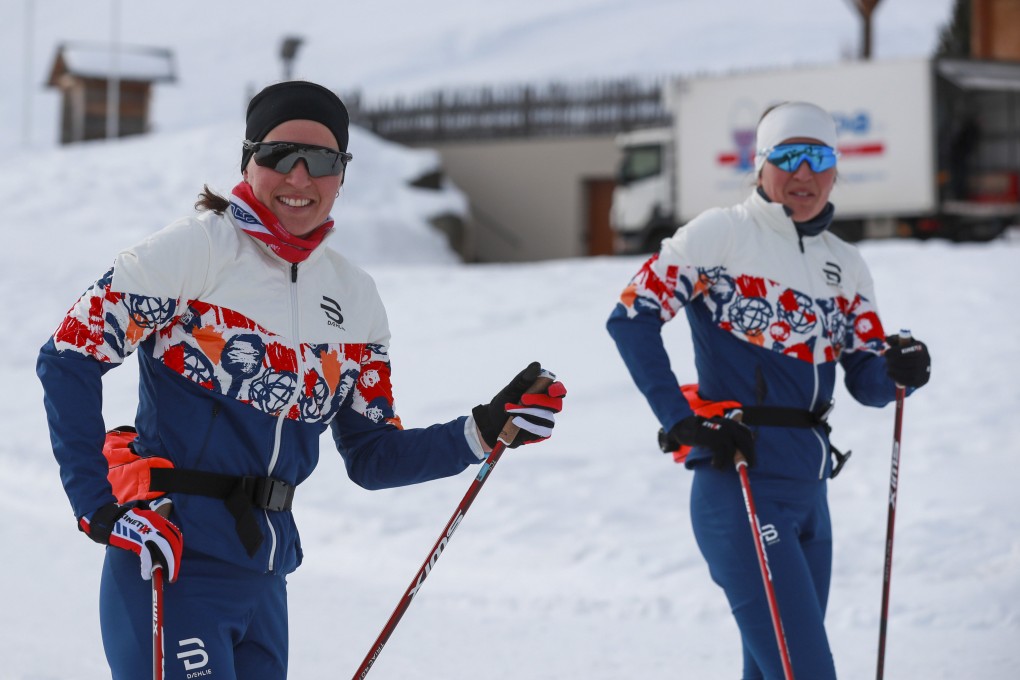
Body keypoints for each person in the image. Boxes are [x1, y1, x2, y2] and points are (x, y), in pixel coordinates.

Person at [37, 80, 567, 680]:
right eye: (277, 154)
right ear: (247, 159)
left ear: (342, 174)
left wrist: (484, 430)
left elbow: (374, 456)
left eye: (320, 161)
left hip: (265, 577)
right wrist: (97, 507)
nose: (298, 177)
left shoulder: (354, 298)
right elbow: (68, 357)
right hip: (171, 562)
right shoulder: (194, 252)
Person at [606, 101, 931, 679]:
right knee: (805, 671)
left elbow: (868, 382)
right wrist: (679, 417)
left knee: (770, 670)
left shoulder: (845, 264)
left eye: (819, 158)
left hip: (811, 492)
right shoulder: (724, 234)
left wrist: (899, 369)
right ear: (761, 166)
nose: (803, 174)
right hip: (741, 481)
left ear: (835, 171)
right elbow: (631, 316)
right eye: (788, 157)